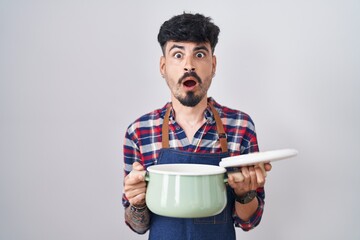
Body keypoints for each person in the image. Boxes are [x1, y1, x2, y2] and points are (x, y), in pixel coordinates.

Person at [122, 13, 271, 240]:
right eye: (178, 55)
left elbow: (249, 221)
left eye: (199, 54)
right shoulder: (140, 131)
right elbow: (138, 226)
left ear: (213, 64)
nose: (188, 65)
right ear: (163, 66)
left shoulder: (240, 126)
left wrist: (245, 194)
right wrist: (137, 203)